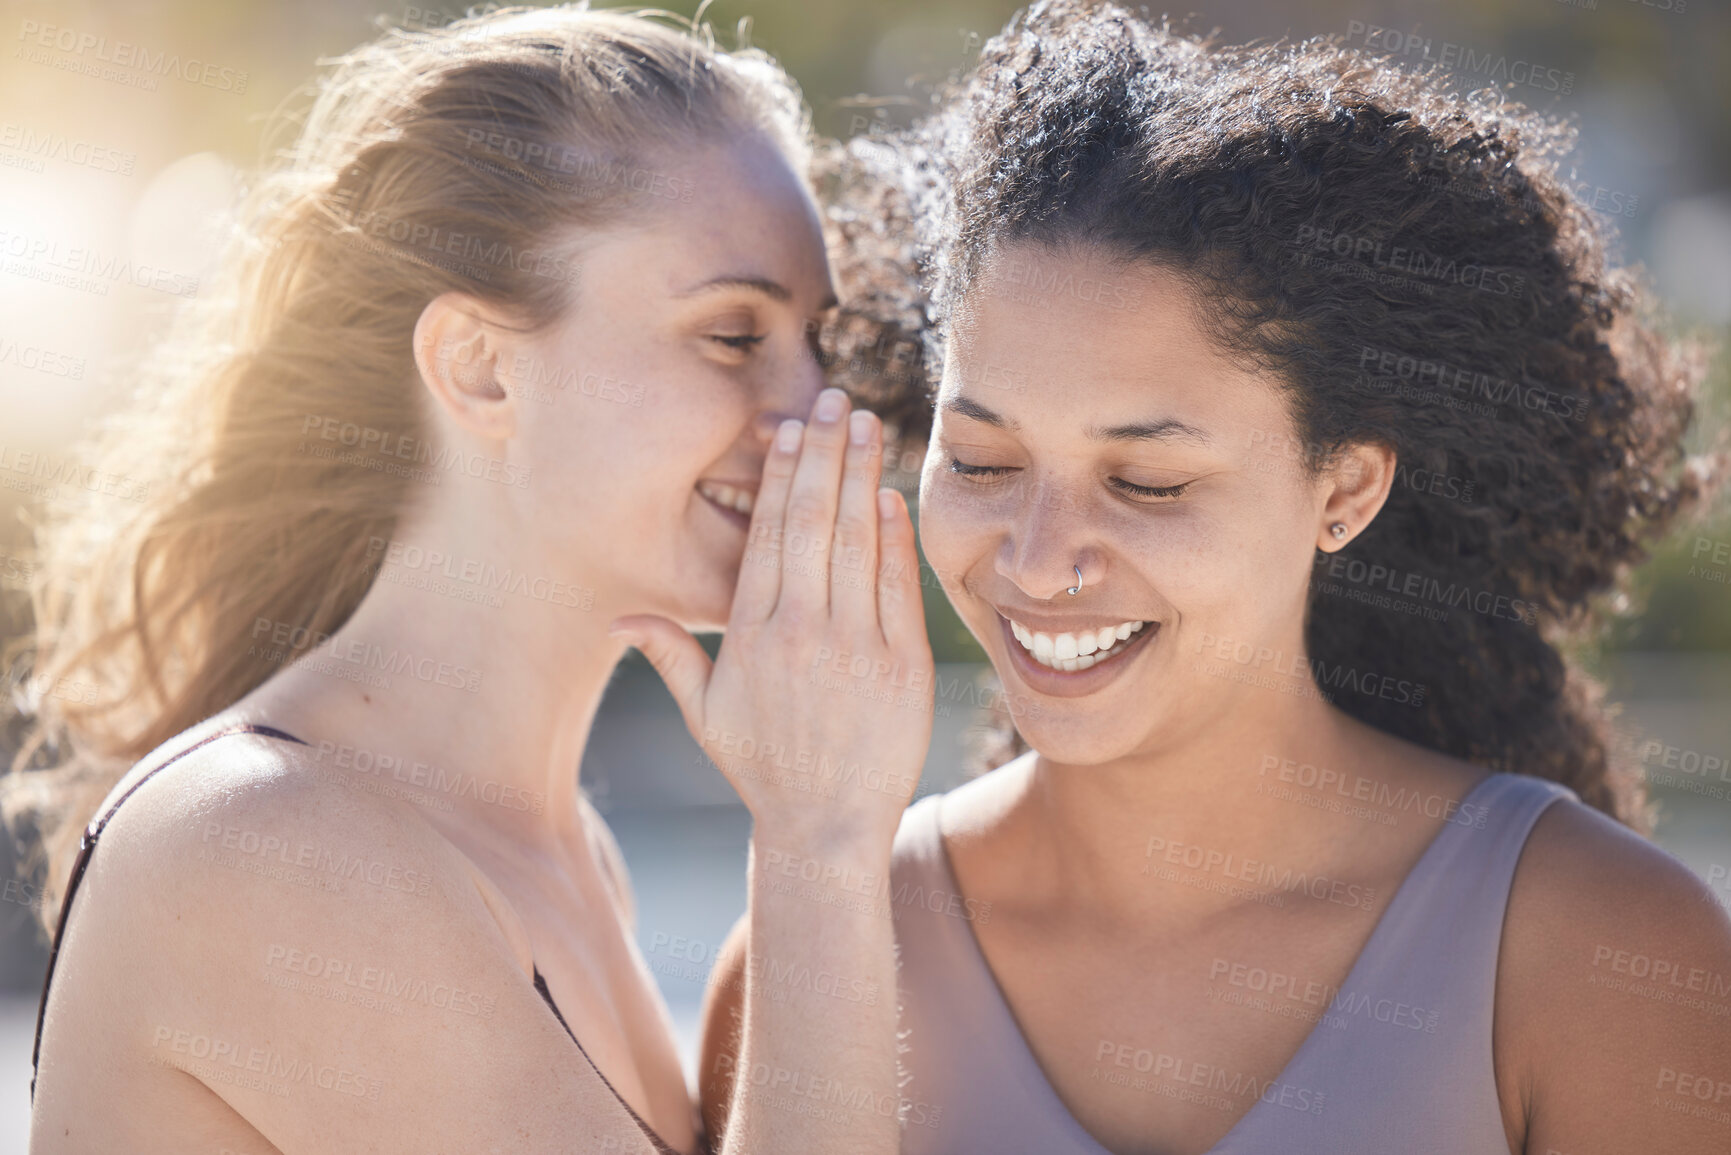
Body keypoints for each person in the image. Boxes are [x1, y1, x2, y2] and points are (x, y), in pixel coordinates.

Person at [699, 3, 1731, 1152]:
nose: (1039, 560)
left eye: (1147, 482)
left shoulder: (1606, 958)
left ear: (1344, 491)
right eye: (985, 461)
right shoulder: (819, 927)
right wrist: (811, 862)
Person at [7, 7, 931, 1153]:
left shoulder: (565, 857)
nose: (815, 414)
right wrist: (820, 840)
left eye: (819, 349)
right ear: (480, 369)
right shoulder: (268, 846)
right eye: (734, 337)